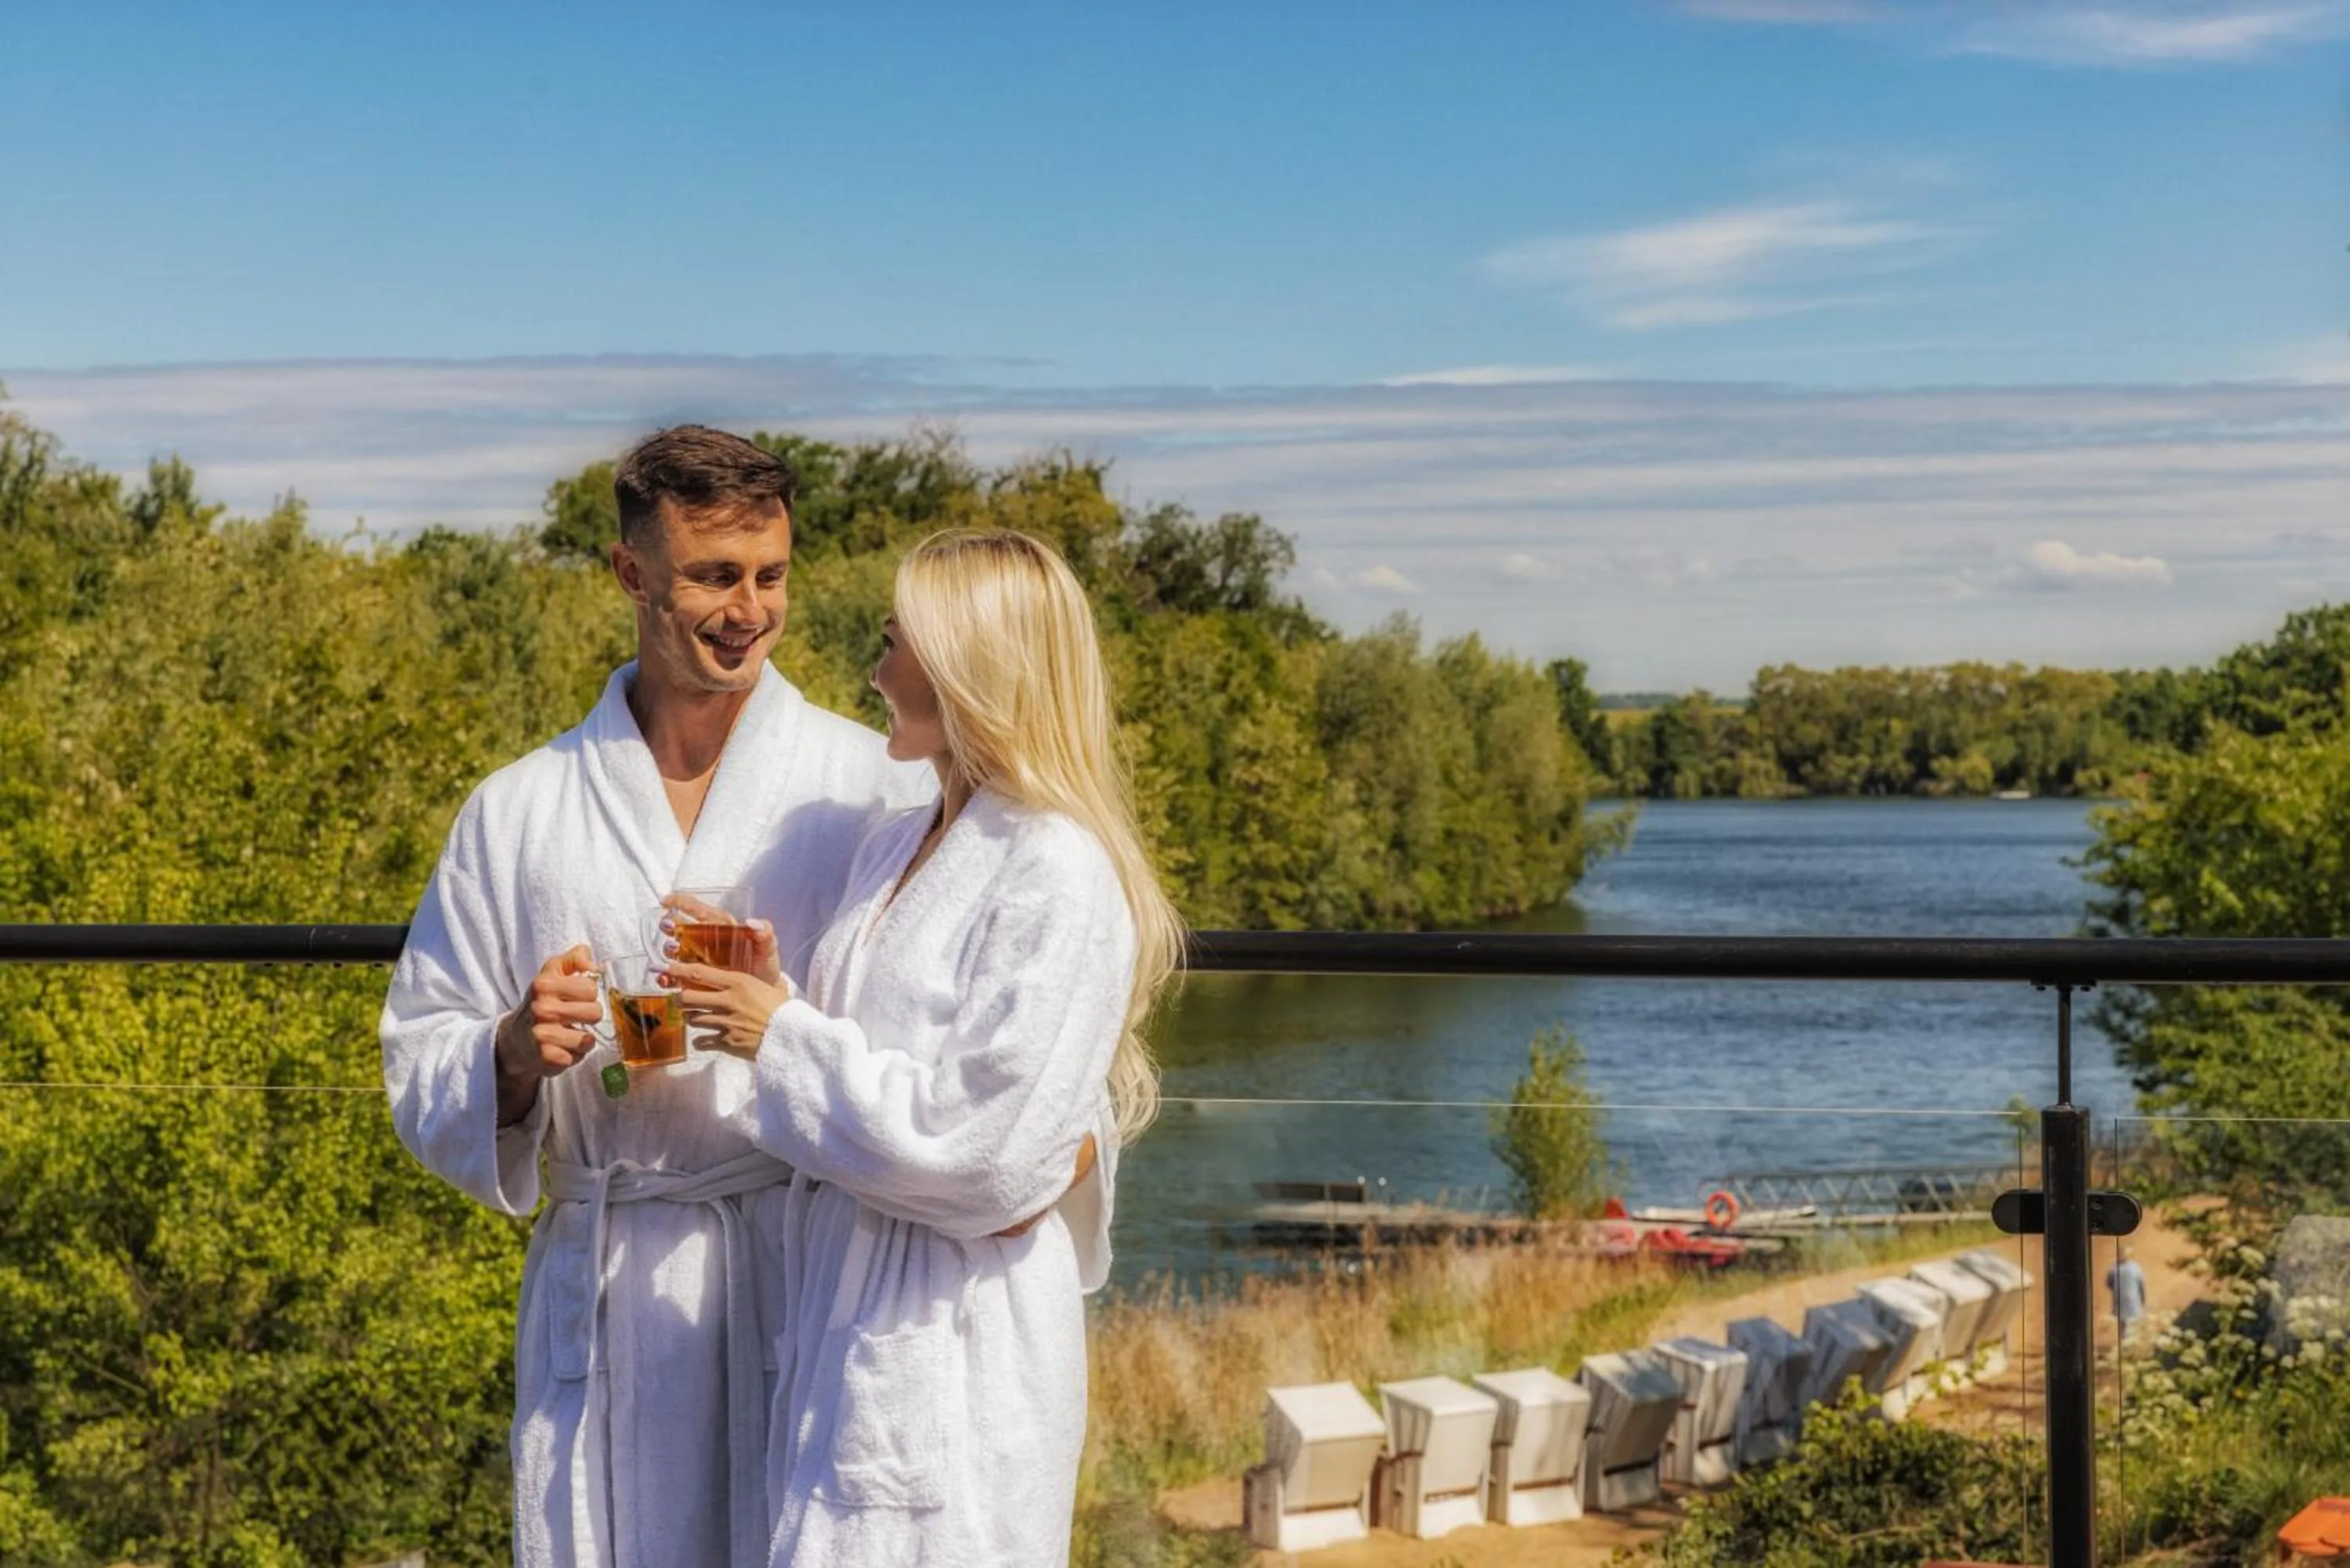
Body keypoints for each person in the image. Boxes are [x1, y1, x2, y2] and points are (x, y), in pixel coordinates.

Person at [379, 425, 938, 1567]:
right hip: (612, 1271)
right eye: (711, 576)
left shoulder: (867, 787)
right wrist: (512, 1051)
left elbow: (943, 1023)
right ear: (631, 572)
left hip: (796, 1264)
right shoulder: (519, 809)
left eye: (769, 575)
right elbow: (418, 1043)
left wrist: (788, 1024)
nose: (747, 609)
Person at [670, 529, 1182, 1566]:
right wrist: (780, 998)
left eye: (895, 640)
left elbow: (991, 1154)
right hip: (851, 1317)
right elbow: (888, 1053)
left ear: (964, 665)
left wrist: (784, 1036)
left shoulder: (1055, 870)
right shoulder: (903, 841)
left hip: (955, 1348)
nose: (874, 666)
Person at [2108, 1246, 2148, 1342]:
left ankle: (2127, 1342)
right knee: (2126, 1323)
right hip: (2126, 1299)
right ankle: (2126, 1342)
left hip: (2127, 1299)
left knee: (2127, 1323)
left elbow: (2109, 1283)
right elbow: (2109, 1282)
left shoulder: (2118, 1268)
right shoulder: (2117, 1268)